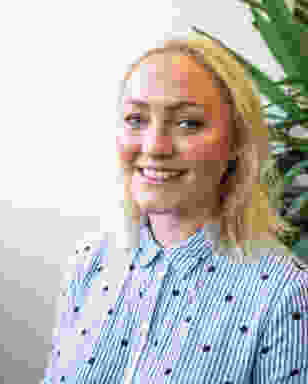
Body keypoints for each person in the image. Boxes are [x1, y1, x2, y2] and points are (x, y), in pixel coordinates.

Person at [40, 32, 308, 383]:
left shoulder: (286, 295)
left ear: (237, 143)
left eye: (188, 123)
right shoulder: (90, 261)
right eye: (136, 119)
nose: (155, 146)